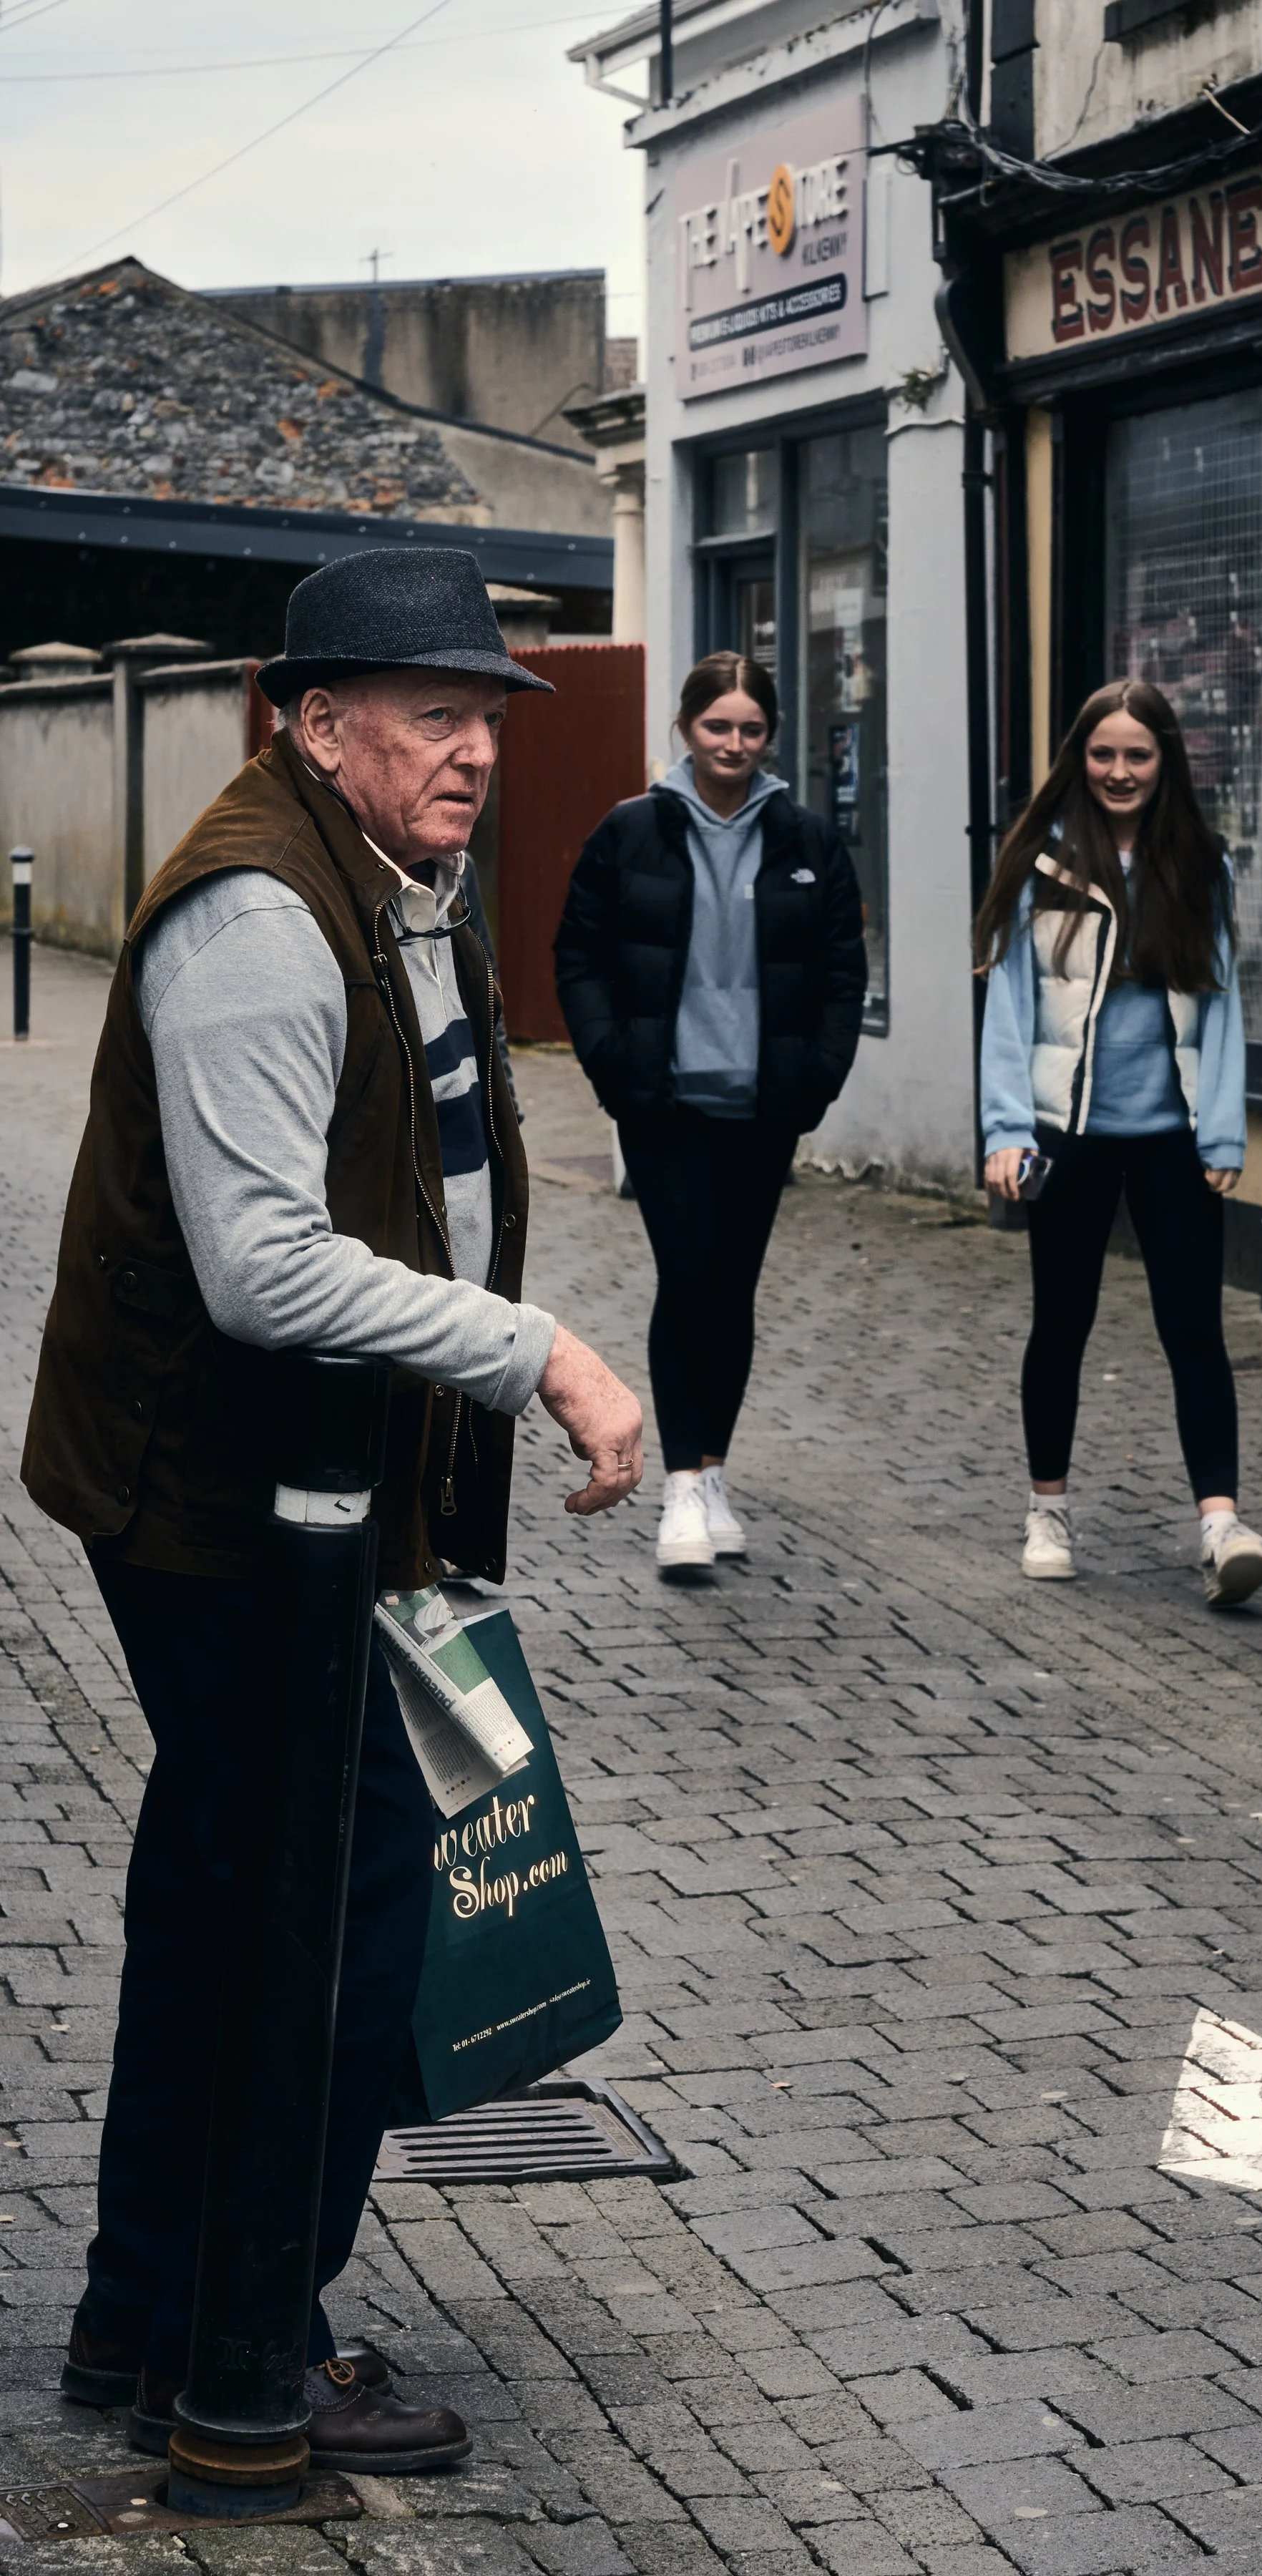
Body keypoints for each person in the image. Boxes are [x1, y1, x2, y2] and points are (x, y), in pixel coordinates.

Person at [21, 548, 644, 2469]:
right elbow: (264, 1266)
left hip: (326, 1497)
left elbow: (426, 1162)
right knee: (350, 1899)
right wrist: (535, 1352)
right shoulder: (261, 917)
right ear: (316, 722)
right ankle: (249, 2348)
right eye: (433, 713)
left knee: (228, 1889)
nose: (475, 751)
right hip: (215, 1500)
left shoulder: (401, 887)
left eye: (488, 718)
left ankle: (156, 2326)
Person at [554, 651, 866, 1572]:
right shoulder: (631, 833)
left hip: (764, 1107)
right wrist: (614, 1064)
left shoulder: (807, 841)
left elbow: (844, 973)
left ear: (770, 736)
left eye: (751, 729)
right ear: (686, 729)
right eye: (716, 726)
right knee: (688, 1276)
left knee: (731, 1288)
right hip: (665, 1104)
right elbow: (580, 955)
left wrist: (816, 1078)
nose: (733, 744)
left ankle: (714, 1474)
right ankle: (682, 1487)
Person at [974, 677, 1262, 1608]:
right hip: (1069, 1137)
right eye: (1103, 754)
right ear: (1080, 759)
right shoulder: (1044, 867)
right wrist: (1005, 1131)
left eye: (1138, 755)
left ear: (1166, 762)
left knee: (1194, 1329)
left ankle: (1220, 1524)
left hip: (1171, 1139)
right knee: (1062, 1326)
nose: (1119, 771)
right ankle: (1048, 1507)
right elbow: (1009, 1013)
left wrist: (1223, 1131)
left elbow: (1222, 1014)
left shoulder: (1201, 867)